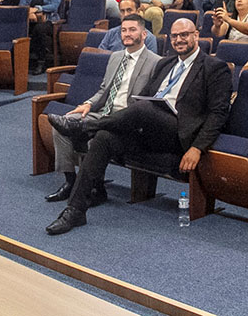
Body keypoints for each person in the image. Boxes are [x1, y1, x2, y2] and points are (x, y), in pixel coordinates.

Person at [44, 18, 232, 235]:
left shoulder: (214, 68)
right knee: (104, 137)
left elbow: (218, 114)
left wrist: (197, 148)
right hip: (148, 128)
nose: (179, 40)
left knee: (142, 108)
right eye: (174, 36)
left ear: (196, 35)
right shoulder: (165, 64)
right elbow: (148, 97)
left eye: (185, 35)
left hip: (178, 133)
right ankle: (75, 211)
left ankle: (85, 127)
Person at [44, 14, 161, 204]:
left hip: (127, 118)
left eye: (132, 30)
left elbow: (150, 101)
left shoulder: (155, 62)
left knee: (93, 137)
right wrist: (88, 104)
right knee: (61, 127)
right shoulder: (115, 57)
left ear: (144, 33)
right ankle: (71, 182)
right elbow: (103, 90)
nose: (127, 34)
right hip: (103, 111)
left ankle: (96, 188)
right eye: (124, 30)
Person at [20, 0, 63, 74]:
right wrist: (30, 12)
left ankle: (40, 61)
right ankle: (18, 63)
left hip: (49, 21)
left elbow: (54, 6)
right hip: (30, 20)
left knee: (39, 29)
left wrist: (38, 9)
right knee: (21, 28)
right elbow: (21, 5)